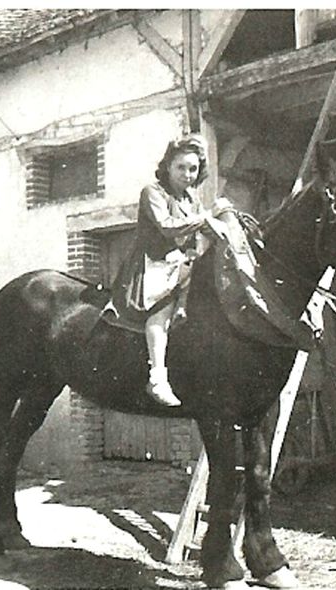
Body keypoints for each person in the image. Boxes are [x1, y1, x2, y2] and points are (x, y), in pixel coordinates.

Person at [106, 133, 228, 407]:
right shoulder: (153, 193)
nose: (187, 174)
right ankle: (157, 377)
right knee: (163, 307)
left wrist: (224, 224)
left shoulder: (191, 199)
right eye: (181, 167)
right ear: (168, 167)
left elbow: (205, 229)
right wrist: (205, 218)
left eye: (193, 169)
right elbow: (166, 225)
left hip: (182, 263)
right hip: (152, 264)